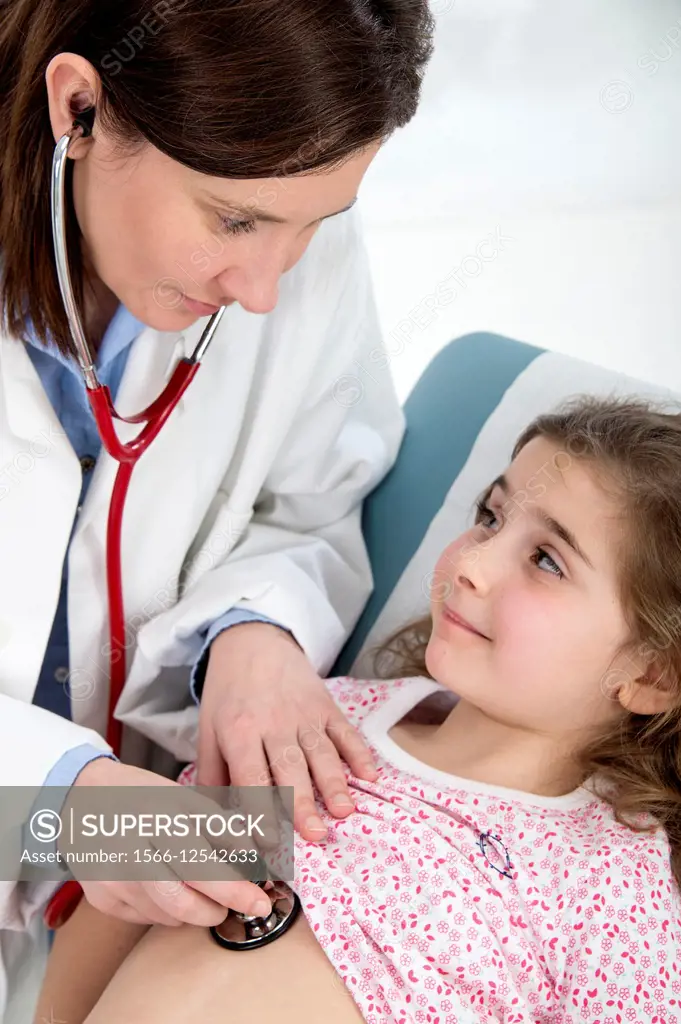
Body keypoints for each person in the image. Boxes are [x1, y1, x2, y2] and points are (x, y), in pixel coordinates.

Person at [0, 0, 435, 1015]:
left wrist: (253, 628)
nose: (263, 289)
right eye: (233, 219)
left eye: (315, 224)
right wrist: (60, 801)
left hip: (114, 916)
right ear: (79, 107)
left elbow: (314, 501)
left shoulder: (286, 230)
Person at [34, 394, 681, 1023]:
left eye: (547, 560)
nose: (473, 565)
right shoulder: (321, 720)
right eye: (490, 517)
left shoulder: (617, 895)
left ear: (653, 673)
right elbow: (137, 877)